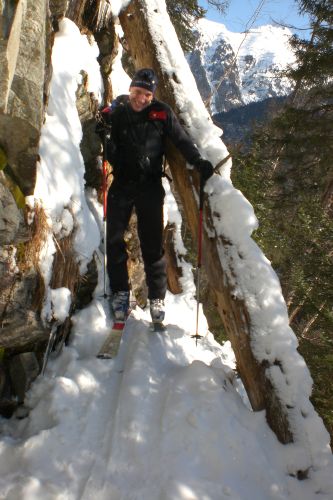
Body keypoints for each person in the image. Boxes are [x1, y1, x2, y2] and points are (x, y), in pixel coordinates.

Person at [96, 68, 214, 324]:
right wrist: (102, 130)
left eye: (147, 94)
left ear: (152, 95)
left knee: (152, 245)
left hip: (150, 186)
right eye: (138, 92)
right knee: (113, 240)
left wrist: (198, 161)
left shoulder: (162, 112)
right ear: (131, 89)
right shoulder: (117, 110)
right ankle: (120, 292)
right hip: (122, 183)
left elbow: (181, 140)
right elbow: (102, 124)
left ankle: (157, 298)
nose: (141, 98)